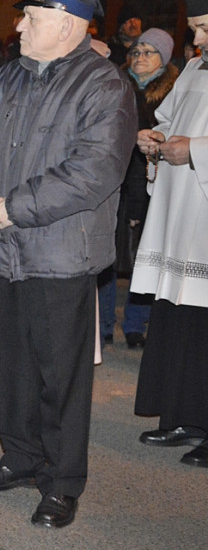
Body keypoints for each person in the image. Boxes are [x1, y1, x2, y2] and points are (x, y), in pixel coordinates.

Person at [0, 0, 137, 528]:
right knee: (11, 366)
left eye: (30, 17)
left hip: (59, 255)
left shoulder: (105, 85)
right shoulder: (6, 79)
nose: (18, 25)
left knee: (61, 374)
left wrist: (10, 206)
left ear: (66, 24)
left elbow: (93, 171)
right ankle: (19, 457)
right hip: (0, 250)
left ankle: (60, 480)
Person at [131, 0, 208, 468]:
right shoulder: (199, 69)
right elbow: (169, 118)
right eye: (195, 28)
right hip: (184, 212)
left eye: (204, 27)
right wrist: (155, 141)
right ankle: (184, 415)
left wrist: (196, 151)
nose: (197, 39)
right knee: (183, 315)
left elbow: (195, 139)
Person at [98, 28, 178, 350]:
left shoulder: (174, 93)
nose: (140, 57)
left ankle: (134, 324)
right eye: (137, 51)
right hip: (112, 182)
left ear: (164, 58)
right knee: (108, 256)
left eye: (149, 52)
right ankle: (103, 324)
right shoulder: (115, 85)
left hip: (155, 184)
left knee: (144, 257)